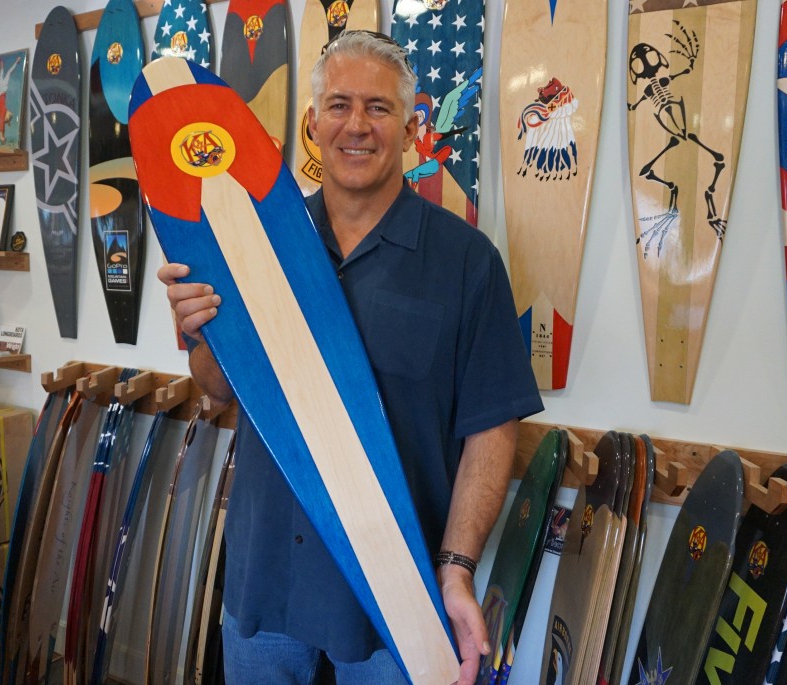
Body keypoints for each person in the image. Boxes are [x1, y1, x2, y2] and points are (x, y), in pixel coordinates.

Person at [158, 30, 542, 685]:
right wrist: (201, 328)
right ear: (312, 123)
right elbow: (218, 387)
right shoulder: (256, 247)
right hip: (264, 582)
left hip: (394, 598)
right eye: (338, 105)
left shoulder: (467, 262)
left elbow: (492, 426)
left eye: (378, 107)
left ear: (411, 125)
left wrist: (456, 567)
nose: (356, 125)